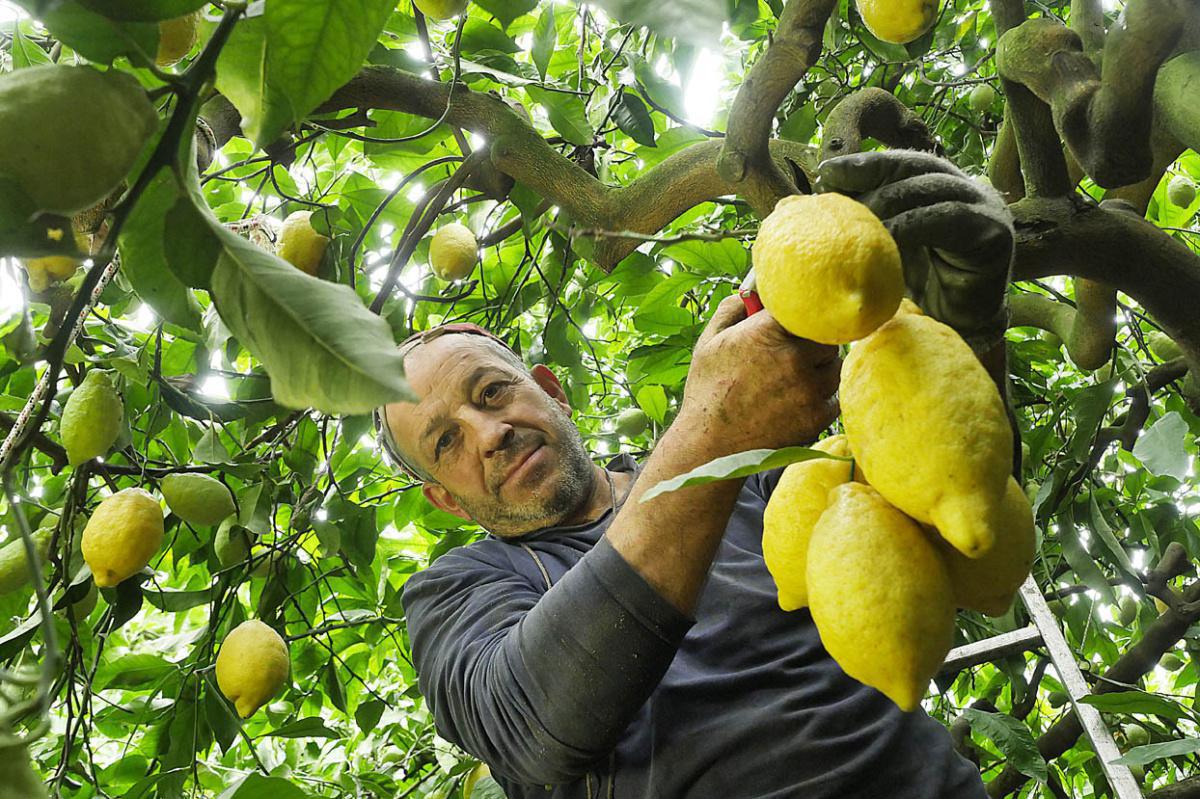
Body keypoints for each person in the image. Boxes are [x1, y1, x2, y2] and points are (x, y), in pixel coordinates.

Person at [376, 150, 1014, 798]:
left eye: (490, 392)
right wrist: (711, 433)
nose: (491, 433)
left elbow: (943, 515)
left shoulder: (755, 476)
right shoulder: (457, 589)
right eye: (447, 440)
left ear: (551, 390)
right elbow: (530, 724)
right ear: (444, 498)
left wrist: (969, 326)